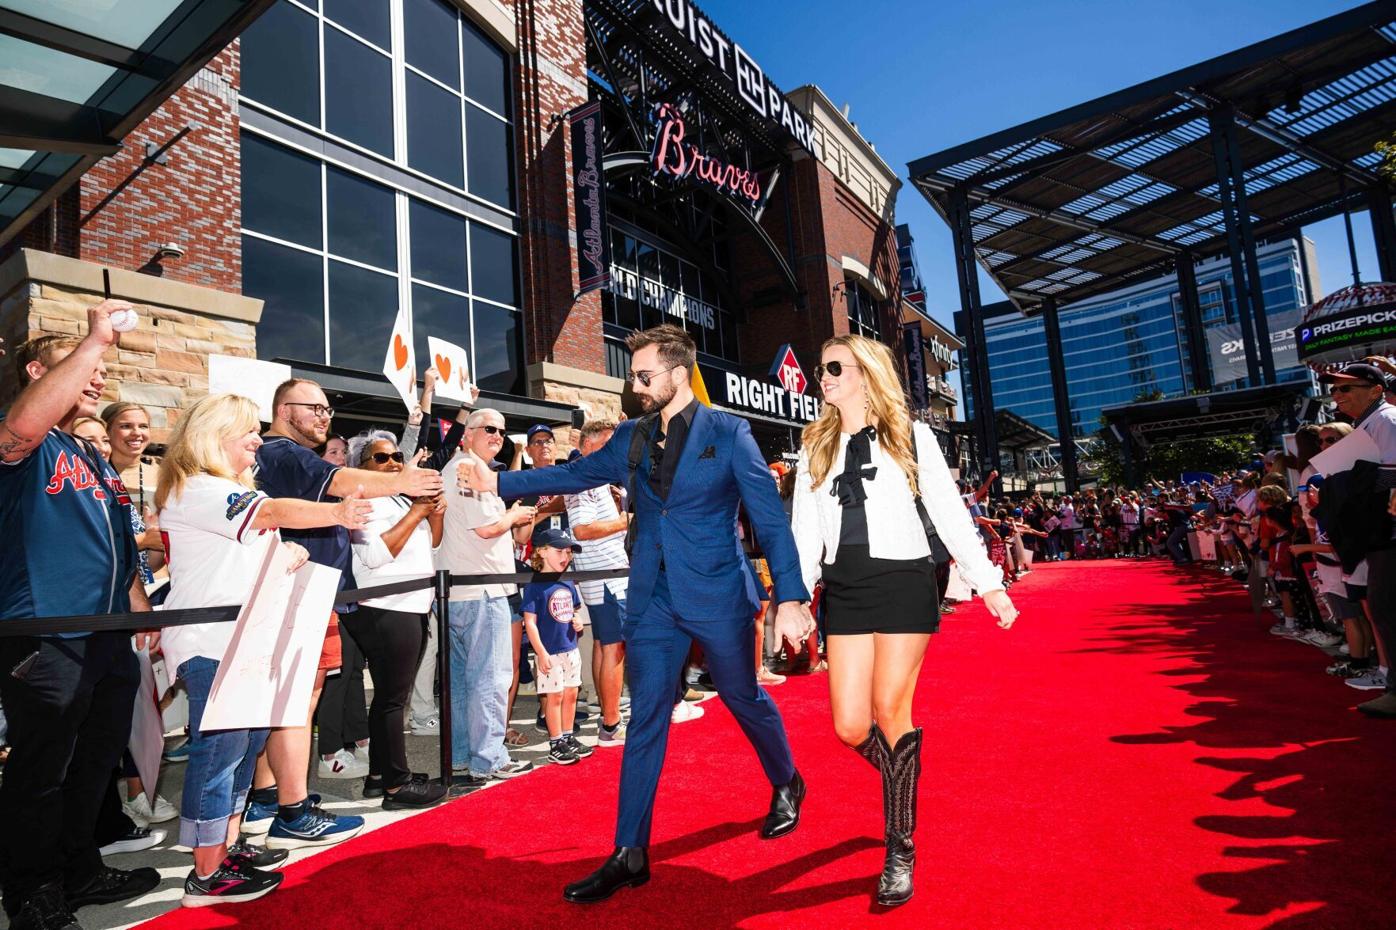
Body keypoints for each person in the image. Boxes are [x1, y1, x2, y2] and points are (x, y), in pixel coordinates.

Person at [461, 324, 816, 904]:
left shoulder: (729, 433)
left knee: (741, 694)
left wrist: (792, 595)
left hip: (719, 594)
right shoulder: (629, 436)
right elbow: (574, 475)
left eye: (644, 375)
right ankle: (630, 851)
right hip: (652, 597)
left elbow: (769, 520)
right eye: (633, 374)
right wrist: (501, 480)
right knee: (646, 713)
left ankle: (786, 779)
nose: (636, 384)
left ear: (679, 374)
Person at [789, 334, 1017, 907]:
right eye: (822, 369)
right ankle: (903, 774)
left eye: (835, 367)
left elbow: (948, 510)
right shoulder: (812, 446)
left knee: (891, 708)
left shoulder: (912, 436)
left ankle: (900, 845)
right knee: (847, 725)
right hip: (844, 588)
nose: (825, 377)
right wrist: (792, 599)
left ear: (866, 373)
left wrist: (988, 583)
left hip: (904, 582)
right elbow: (802, 533)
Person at [155, 393, 373, 906]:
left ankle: (224, 849)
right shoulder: (200, 487)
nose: (257, 440)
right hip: (211, 643)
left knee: (244, 748)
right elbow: (271, 511)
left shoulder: (225, 489)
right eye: (245, 432)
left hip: (242, 641)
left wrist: (290, 551)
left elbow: (250, 551)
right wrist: (337, 512)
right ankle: (206, 875)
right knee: (221, 752)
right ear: (213, 435)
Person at [0, 314, 160, 930]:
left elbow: (120, 543)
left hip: (106, 632)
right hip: (45, 630)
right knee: (43, 768)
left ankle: (79, 868)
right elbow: (19, 425)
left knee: (95, 761)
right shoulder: (29, 443)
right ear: (40, 374)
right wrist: (94, 340)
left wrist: (137, 607)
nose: (98, 376)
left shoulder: (88, 453)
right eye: (87, 367)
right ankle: (29, 890)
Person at [242, 378, 443, 846]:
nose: (324, 416)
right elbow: (340, 480)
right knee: (290, 706)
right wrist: (402, 481)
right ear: (283, 408)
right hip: (299, 591)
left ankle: (278, 799)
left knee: (295, 705)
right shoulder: (284, 453)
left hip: (316, 592)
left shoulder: (290, 456)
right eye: (315, 408)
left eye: (328, 410)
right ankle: (278, 803)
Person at [345, 430, 449, 809]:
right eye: (381, 458)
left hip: (412, 605)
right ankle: (396, 786)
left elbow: (432, 545)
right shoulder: (360, 501)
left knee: (393, 696)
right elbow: (373, 555)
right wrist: (418, 511)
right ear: (361, 466)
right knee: (391, 699)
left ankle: (378, 776)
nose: (392, 463)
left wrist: (434, 514)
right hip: (387, 606)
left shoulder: (398, 498)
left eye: (396, 458)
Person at [438, 409, 538, 783]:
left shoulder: (465, 467)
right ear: (467, 433)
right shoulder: (467, 468)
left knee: (463, 681)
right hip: (481, 590)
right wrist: (513, 517)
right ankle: (489, 758)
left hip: (462, 591)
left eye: (501, 430)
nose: (497, 435)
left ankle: (464, 755)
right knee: (491, 678)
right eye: (489, 429)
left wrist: (512, 518)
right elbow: (485, 529)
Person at [563, 419, 631, 747]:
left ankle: (609, 717)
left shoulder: (596, 478)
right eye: (609, 443)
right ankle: (610, 724)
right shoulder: (583, 478)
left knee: (608, 646)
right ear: (590, 445)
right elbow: (582, 530)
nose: (615, 451)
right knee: (613, 649)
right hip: (605, 578)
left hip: (606, 577)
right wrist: (623, 521)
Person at [521, 529, 592, 766]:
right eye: (560, 551)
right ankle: (555, 741)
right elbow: (529, 622)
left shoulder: (568, 580)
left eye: (569, 551)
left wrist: (578, 620)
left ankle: (568, 736)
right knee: (555, 696)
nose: (566, 556)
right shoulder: (535, 586)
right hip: (549, 651)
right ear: (541, 551)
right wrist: (540, 652)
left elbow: (574, 610)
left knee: (571, 693)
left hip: (570, 647)